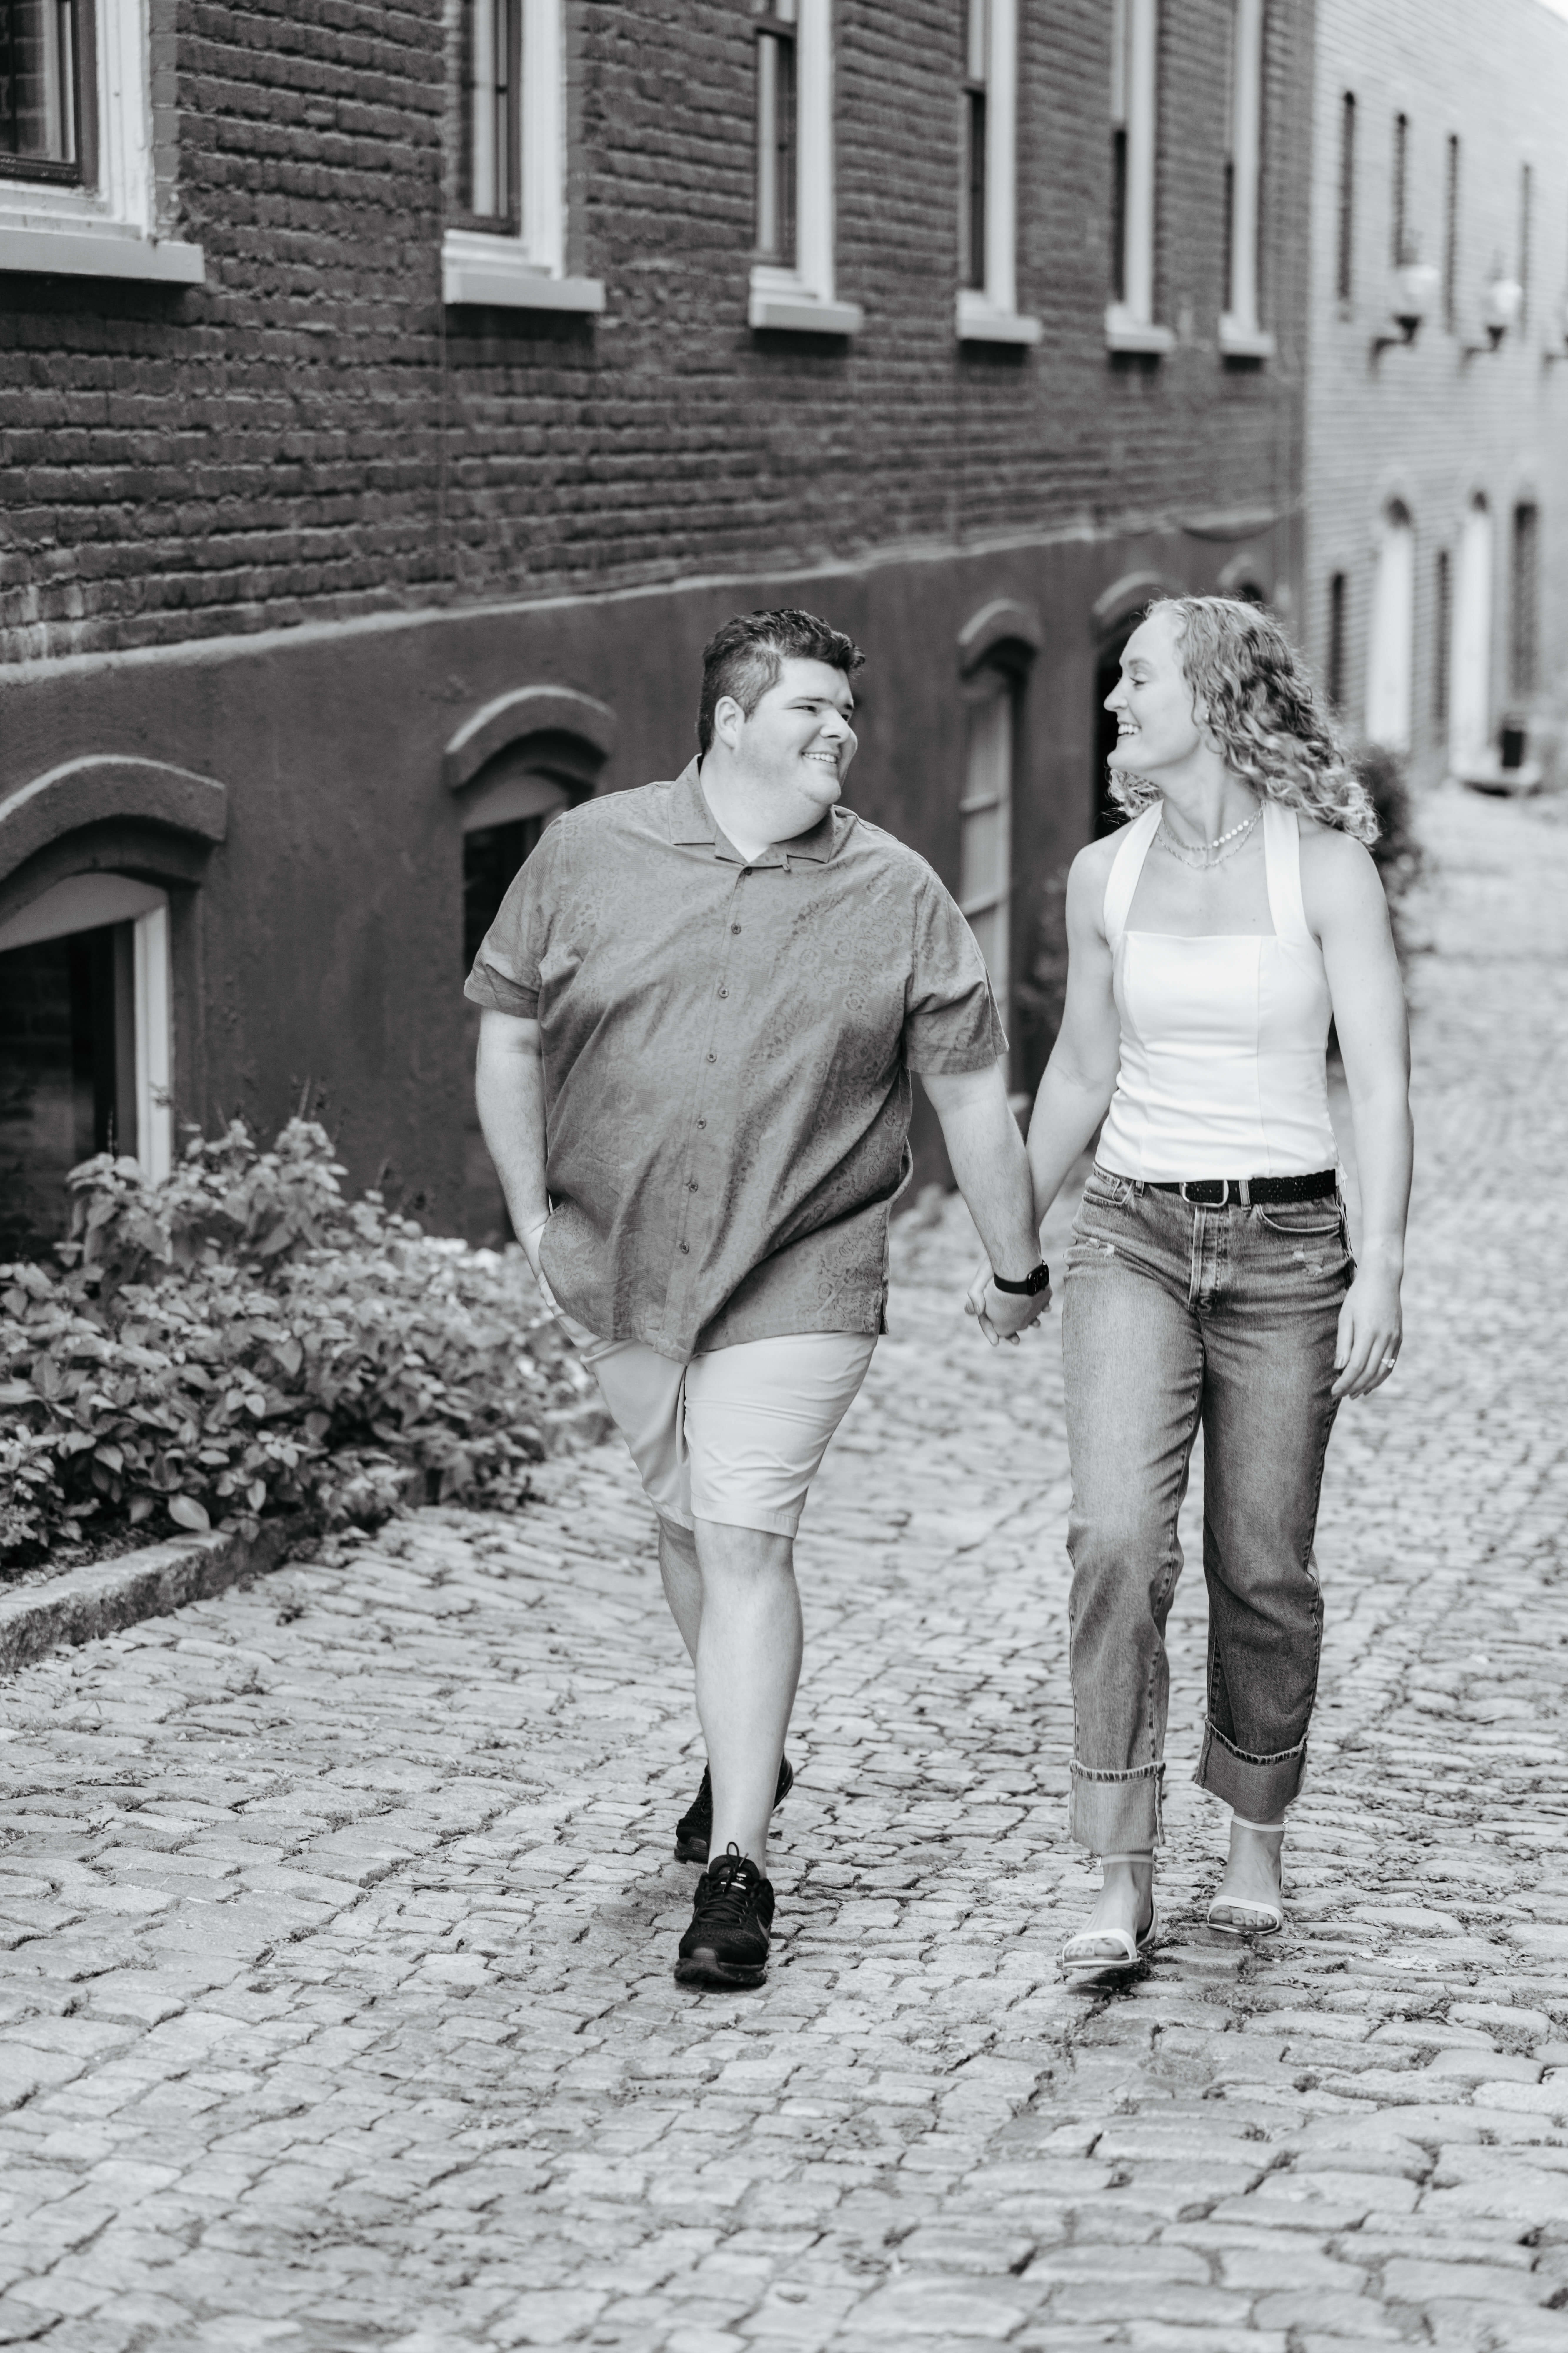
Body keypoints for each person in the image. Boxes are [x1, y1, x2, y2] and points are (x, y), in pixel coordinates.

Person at [467, 609, 1049, 1992]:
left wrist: (1015, 1264)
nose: (839, 729)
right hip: (619, 1262)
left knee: (741, 1535)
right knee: (684, 1525)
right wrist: (535, 1219)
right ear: (730, 721)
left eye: (848, 711)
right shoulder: (587, 850)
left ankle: (738, 1867)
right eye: (808, 708)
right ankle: (750, 1741)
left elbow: (973, 1096)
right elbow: (507, 1032)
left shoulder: (897, 890)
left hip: (806, 1263)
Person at [974, 595, 1411, 1971]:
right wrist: (1010, 1240)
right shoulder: (1102, 874)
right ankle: (1119, 1872)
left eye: (1137, 677)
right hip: (1133, 1236)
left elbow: (1380, 1083)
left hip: (1289, 1248)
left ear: (1215, 694)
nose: (1114, 701)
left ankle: (1254, 1833)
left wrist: (1384, 1263)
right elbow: (1081, 1069)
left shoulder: (1324, 870)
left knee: (1261, 1563)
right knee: (1114, 1540)